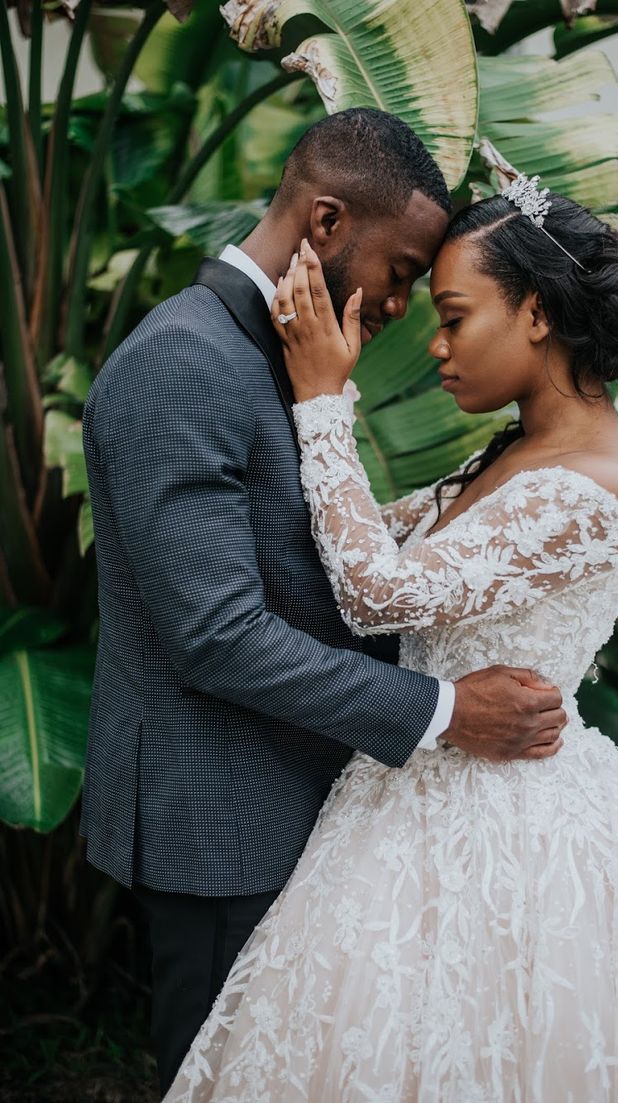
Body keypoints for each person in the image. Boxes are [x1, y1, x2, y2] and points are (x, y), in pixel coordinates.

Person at [164, 180, 618, 1101]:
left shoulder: (590, 486)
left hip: (512, 827)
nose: (434, 345)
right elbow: (360, 530)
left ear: (539, 313)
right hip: (410, 784)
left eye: (455, 317)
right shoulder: (516, 452)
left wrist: (322, 399)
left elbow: (373, 589)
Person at [80, 111, 567, 1097]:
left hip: (310, 802)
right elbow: (220, 638)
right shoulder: (180, 361)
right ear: (329, 220)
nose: (400, 305)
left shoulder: (288, 353)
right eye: (400, 271)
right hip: (222, 825)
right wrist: (444, 710)